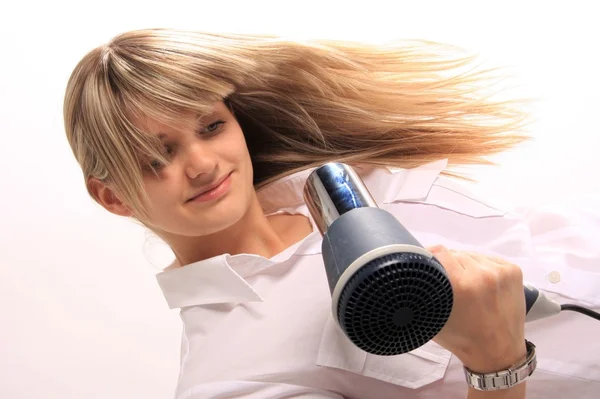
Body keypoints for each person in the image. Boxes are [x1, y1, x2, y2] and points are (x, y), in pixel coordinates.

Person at [62, 29, 600, 399]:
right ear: (114, 198)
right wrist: (495, 365)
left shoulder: (343, 177)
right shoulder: (231, 372)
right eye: (158, 158)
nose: (203, 164)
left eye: (210, 126)